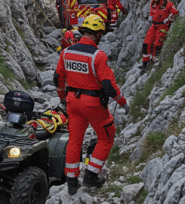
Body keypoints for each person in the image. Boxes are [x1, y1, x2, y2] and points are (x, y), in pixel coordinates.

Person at [54, 14, 129, 194]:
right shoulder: (98, 56)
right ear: (97, 34)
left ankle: (72, 182)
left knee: (74, 140)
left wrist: (63, 97)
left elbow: (57, 78)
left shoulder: (66, 52)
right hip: (93, 104)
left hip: (73, 102)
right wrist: (123, 103)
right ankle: (91, 176)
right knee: (107, 136)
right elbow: (109, 86)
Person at [141, 0, 179, 70]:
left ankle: (154, 60)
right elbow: (151, 13)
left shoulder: (168, 4)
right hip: (154, 25)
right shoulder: (152, 3)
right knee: (146, 43)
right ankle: (144, 63)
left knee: (157, 44)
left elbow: (176, 12)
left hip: (163, 26)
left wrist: (169, 18)